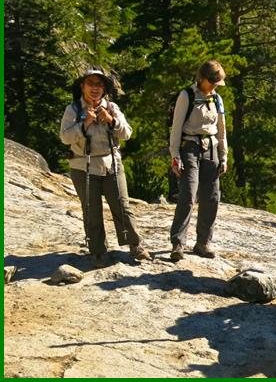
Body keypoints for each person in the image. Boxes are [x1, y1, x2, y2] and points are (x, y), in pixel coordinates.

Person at [60, 68, 151, 268]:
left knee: (122, 206)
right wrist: (85, 123)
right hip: (83, 166)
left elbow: (127, 133)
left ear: (104, 89)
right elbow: (65, 137)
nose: (95, 88)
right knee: (91, 210)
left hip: (111, 163)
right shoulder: (73, 109)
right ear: (82, 86)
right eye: (91, 83)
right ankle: (98, 252)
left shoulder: (111, 107)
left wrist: (111, 120)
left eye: (99, 84)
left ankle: (135, 245)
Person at [168, 60, 228, 262]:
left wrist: (223, 155)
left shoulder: (217, 99)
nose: (214, 87)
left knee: (212, 197)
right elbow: (176, 127)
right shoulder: (187, 96)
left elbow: (221, 130)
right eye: (212, 83)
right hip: (190, 147)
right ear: (201, 79)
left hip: (210, 148)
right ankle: (178, 243)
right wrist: (175, 155)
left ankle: (203, 242)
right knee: (188, 194)